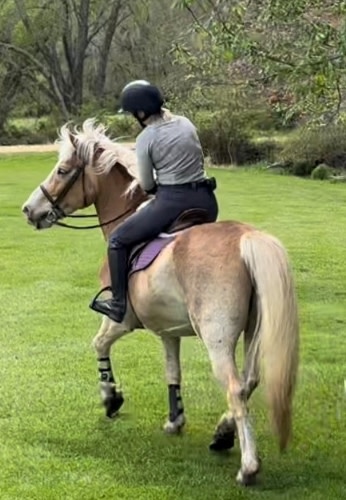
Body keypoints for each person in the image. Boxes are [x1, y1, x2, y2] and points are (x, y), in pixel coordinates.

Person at [90, 80, 219, 323]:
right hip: (206, 201)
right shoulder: (186, 123)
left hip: (172, 203)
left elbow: (148, 185)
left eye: (132, 113)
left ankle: (118, 304)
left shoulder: (146, 138)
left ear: (141, 112)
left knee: (117, 240)